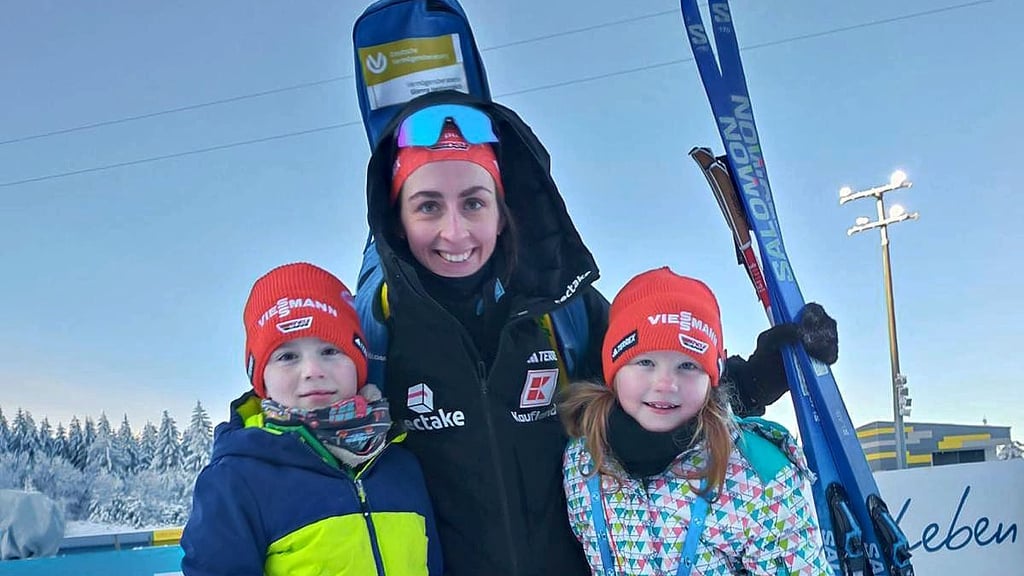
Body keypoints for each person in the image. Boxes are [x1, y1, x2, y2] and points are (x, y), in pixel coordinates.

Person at [356, 90, 838, 576]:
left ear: (504, 213)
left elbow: (650, 376)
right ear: (396, 219)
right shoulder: (377, 328)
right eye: (428, 207)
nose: (455, 232)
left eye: (474, 203)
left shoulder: (560, 309)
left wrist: (755, 379)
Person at [561, 267, 833, 575]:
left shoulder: (759, 477)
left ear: (712, 377)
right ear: (613, 368)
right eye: (645, 362)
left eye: (688, 365)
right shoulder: (583, 461)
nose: (665, 383)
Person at [180, 262, 442, 576]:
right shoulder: (236, 481)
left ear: (358, 360)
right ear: (259, 376)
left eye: (330, 351)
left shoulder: (400, 464)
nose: (312, 370)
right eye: (287, 356)